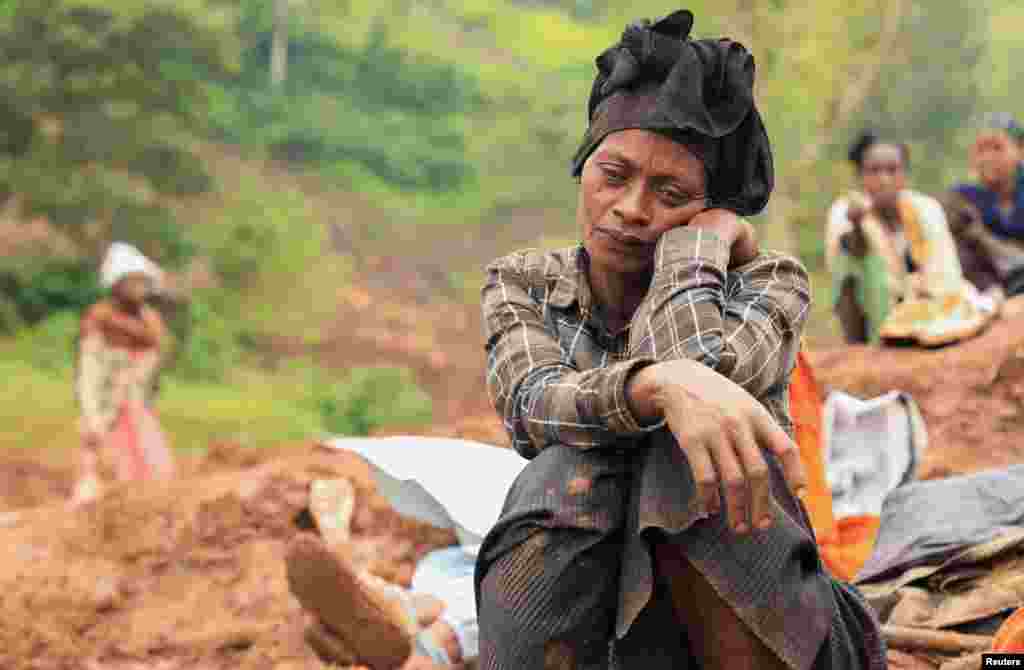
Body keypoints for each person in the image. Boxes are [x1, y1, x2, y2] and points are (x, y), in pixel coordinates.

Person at [471, 10, 884, 670]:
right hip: (616, 638)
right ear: (584, 167)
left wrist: (696, 251)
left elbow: (703, 371)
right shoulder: (523, 283)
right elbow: (532, 406)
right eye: (614, 174)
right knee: (561, 475)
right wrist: (654, 388)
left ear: (709, 205)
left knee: (694, 460)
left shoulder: (770, 283)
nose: (632, 208)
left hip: (771, 628)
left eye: (670, 193)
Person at [826, 130, 996, 346]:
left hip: (924, 304)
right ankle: (864, 347)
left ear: (904, 175)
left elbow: (943, 274)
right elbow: (848, 264)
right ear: (860, 175)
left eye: (892, 170)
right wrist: (857, 225)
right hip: (871, 311)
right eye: (874, 171)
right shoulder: (845, 211)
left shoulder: (925, 209)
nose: (884, 180)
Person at [72, 242, 174, 504]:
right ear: (118, 284)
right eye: (133, 282)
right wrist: (93, 417)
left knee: (153, 474)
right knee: (103, 477)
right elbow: (88, 374)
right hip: (107, 412)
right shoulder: (100, 319)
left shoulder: (150, 322)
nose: (140, 288)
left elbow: (151, 371)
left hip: (137, 411)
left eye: (142, 282)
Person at [944, 113, 1024, 297]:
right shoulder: (961, 200)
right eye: (981, 150)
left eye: (997, 148)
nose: (988, 157)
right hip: (987, 296)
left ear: (1020, 150)